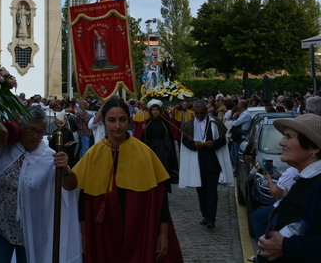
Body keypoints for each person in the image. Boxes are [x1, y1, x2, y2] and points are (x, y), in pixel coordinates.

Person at [0, 106, 80, 263]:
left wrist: (65, 169)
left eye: (40, 131)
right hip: (1, 228)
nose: (35, 136)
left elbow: (71, 186)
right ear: (21, 127)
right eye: (31, 129)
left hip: (32, 231)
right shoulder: (4, 149)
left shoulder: (48, 157)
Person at [72, 97, 182, 263]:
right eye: (112, 120)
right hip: (105, 234)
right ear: (103, 121)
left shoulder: (144, 152)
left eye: (122, 120)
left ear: (130, 121)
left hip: (140, 229)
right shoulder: (93, 154)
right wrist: (85, 237)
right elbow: (84, 202)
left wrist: (163, 234)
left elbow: (160, 198)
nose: (117, 126)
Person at [256, 114, 321, 261]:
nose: (281, 142)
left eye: (289, 137)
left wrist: (286, 245)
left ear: (314, 148)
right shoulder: (305, 179)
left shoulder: (317, 185)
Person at [178, 99, 234, 229]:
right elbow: (185, 142)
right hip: (197, 163)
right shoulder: (188, 125)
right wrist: (194, 145)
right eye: (197, 114)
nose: (200, 116)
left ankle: (211, 218)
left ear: (206, 111)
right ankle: (205, 214)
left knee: (211, 191)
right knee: (201, 191)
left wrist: (214, 144)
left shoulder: (215, 123)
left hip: (212, 162)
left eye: (202, 113)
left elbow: (223, 141)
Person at [141, 100, 178, 190]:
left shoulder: (164, 123)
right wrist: (145, 131)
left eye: (157, 109)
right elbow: (145, 139)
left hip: (162, 149)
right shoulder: (148, 123)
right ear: (150, 111)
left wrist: (169, 152)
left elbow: (168, 138)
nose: (155, 112)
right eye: (153, 110)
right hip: (152, 148)